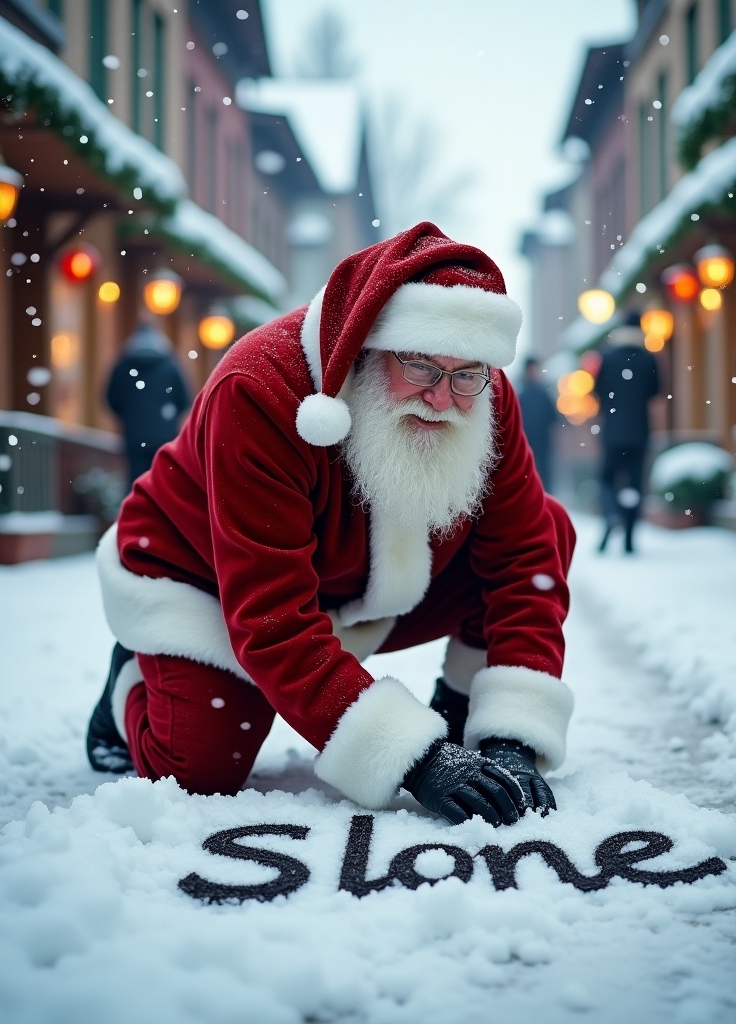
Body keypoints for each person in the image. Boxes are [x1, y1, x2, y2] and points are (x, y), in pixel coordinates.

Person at [86, 222, 576, 828]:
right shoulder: (259, 391)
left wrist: (510, 737)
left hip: (357, 583)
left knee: (547, 529)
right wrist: (416, 760)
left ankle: (462, 707)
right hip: (205, 578)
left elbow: (524, 562)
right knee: (202, 767)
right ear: (370, 347)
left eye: (464, 375)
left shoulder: (487, 395)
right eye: (420, 365)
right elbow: (272, 617)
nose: (443, 398)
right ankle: (129, 686)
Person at [592, 310, 659, 554]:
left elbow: (598, 391)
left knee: (607, 480)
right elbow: (655, 391)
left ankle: (611, 515)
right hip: (640, 431)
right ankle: (630, 540)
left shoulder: (607, 358)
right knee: (634, 484)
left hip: (612, 431)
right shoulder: (648, 359)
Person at [105, 312, 192, 486]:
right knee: (163, 482)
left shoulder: (123, 365)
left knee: (136, 481)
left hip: (134, 436)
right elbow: (184, 399)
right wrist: (168, 417)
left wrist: (128, 416)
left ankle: (137, 512)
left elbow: (111, 397)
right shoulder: (170, 365)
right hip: (165, 435)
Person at [516, 356, 561, 492]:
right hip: (528, 442)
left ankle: (545, 498)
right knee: (530, 471)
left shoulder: (542, 394)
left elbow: (553, 417)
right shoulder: (521, 395)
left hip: (542, 442)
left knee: (544, 473)